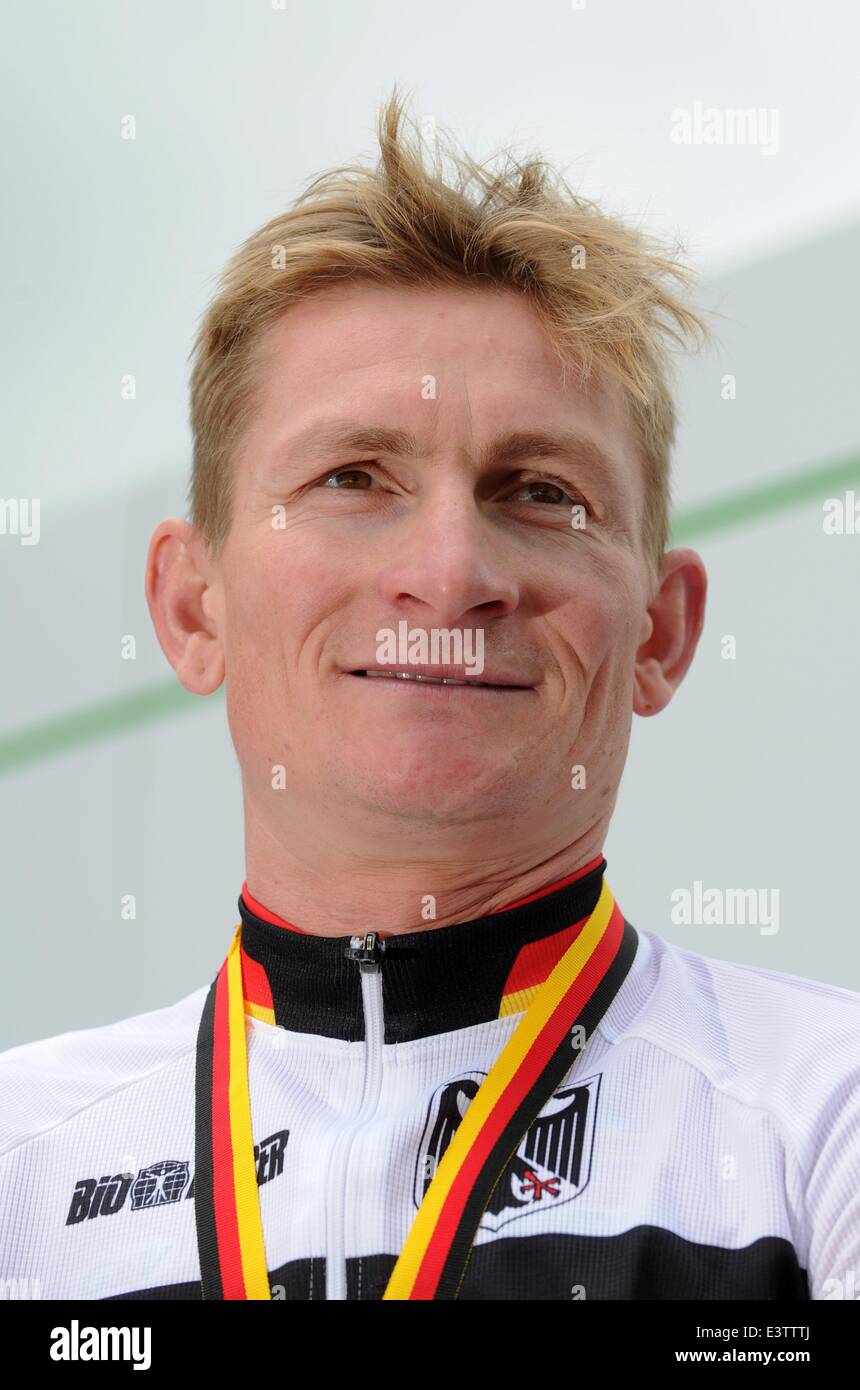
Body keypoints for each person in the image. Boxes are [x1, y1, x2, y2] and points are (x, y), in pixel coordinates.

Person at [1, 88, 858, 1303]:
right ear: (193, 607)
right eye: (353, 476)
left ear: (660, 632)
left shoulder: (822, 1116)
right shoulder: (21, 1170)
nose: (450, 573)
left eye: (541, 491)